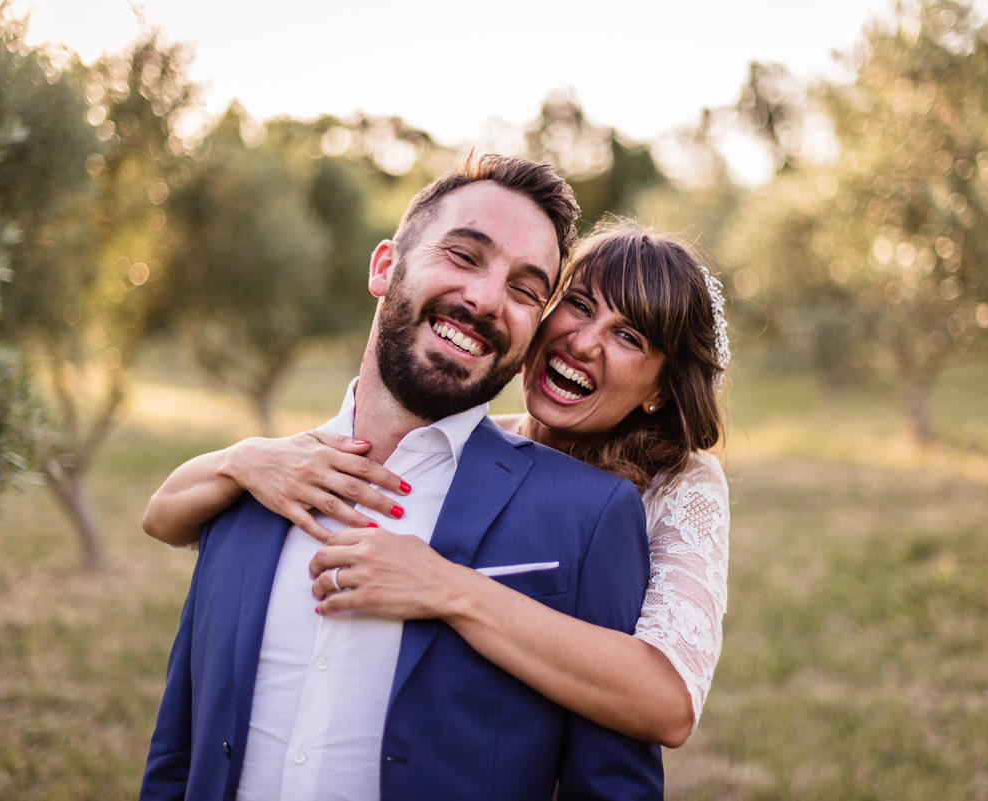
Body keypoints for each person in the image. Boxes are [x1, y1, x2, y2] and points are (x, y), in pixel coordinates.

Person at [138, 155, 663, 801]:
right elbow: (177, 755)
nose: (486, 298)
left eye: (526, 289)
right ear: (385, 265)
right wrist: (238, 462)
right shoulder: (246, 489)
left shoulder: (587, 512)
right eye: (466, 255)